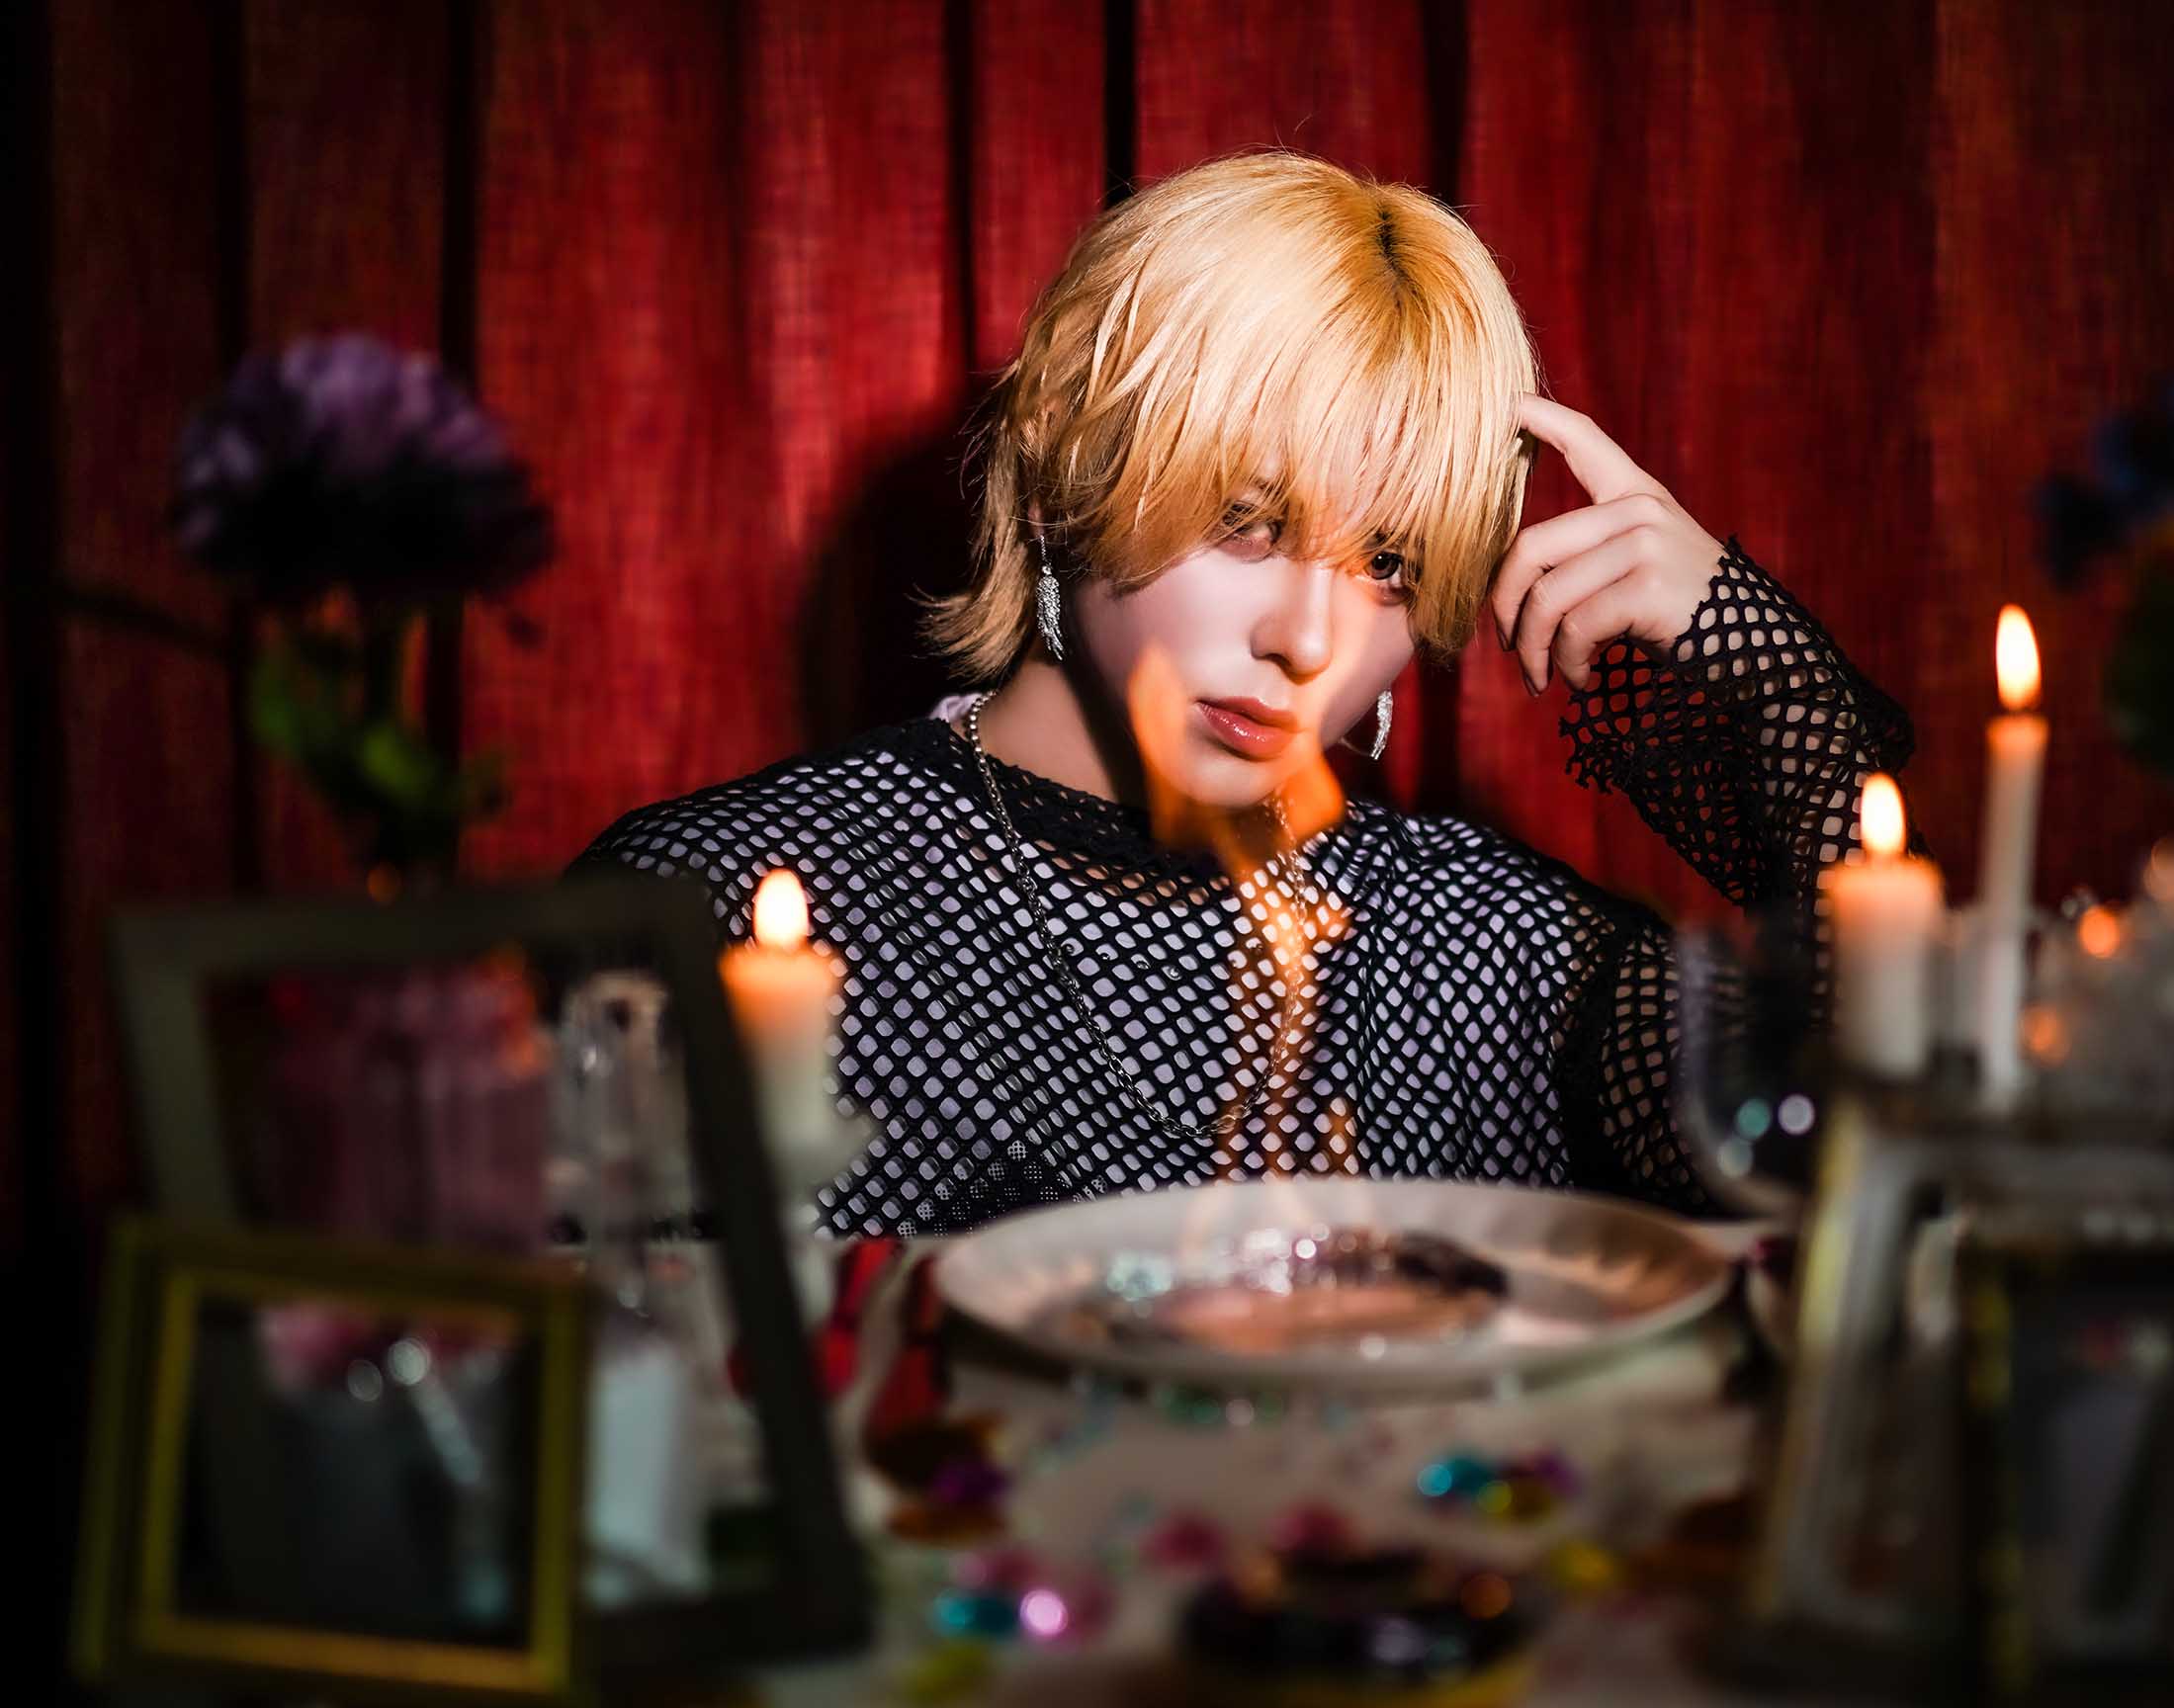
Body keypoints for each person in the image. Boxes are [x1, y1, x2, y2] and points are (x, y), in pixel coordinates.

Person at [579, 150, 1912, 1237]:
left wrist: (1776, 683)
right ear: (1059, 476)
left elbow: (1881, 1160)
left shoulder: (1482, 951)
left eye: (1388, 564)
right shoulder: (718, 904)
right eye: (1247, 522)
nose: (1308, 637)